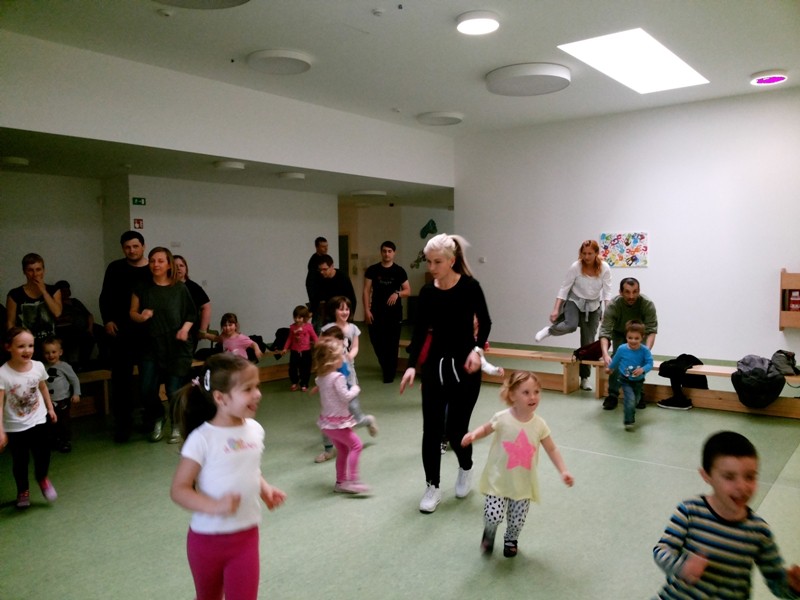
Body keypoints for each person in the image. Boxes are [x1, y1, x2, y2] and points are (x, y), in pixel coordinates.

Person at [170, 353, 286, 600]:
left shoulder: (255, 430)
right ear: (220, 398)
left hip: (246, 537)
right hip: (206, 542)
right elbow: (179, 489)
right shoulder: (202, 439)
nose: (258, 394)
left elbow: (249, 467)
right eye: (248, 389)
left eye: (257, 386)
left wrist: (264, 488)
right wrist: (215, 506)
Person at [400, 232, 491, 514]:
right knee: (432, 430)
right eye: (428, 262)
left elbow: (486, 322)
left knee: (456, 430)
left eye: (437, 262)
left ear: (451, 261)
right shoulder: (428, 293)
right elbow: (418, 332)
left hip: (465, 368)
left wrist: (477, 351)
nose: (431, 268)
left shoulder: (470, 287)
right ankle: (432, 486)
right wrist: (412, 366)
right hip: (435, 368)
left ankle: (466, 467)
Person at [652, 431, 800, 599]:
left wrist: (793, 587)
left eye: (750, 477)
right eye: (729, 477)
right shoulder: (690, 510)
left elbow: (776, 582)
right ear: (706, 476)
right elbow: (661, 550)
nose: (742, 486)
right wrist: (682, 567)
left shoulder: (759, 532)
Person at [462, 371, 573, 558]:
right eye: (526, 392)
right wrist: (473, 435)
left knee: (517, 520)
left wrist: (563, 471)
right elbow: (486, 429)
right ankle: (490, 531)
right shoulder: (502, 417)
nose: (533, 397)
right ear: (512, 395)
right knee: (493, 515)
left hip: (523, 482)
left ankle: (511, 539)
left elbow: (552, 449)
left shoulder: (539, 425)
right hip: (498, 478)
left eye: (536, 392)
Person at [130, 247, 197, 444]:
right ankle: (158, 417)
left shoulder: (179, 288)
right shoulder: (142, 287)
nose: (156, 264)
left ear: (169, 265)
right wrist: (141, 317)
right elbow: (132, 312)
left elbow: (191, 313)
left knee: (173, 389)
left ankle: (176, 423)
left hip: (176, 346)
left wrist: (184, 329)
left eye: (160, 261)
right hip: (150, 345)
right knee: (146, 389)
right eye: (152, 261)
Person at [534, 240, 612, 391]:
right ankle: (549, 330)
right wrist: (555, 309)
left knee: (588, 342)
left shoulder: (604, 268)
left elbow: (607, 292)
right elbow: (564, 288)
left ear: (596, 253)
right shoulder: (576, 266)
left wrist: (607, 312)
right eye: (584, 253)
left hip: (593, 306)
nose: (586, 257)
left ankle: (585, 378)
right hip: (574, 300)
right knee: (570, 325)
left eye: (590, 254)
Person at [99, 231, 152, 442]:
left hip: (147, 333)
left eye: (135, 246)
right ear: (123, 249)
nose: (132, 250)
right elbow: (105, 297)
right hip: (121, 332)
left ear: (143, 246)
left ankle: (150, 421)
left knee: (149, 380)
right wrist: (107, 320)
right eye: (127, 247)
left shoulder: (152, 268)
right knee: (121, 381)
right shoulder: (115, 268)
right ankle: (123, 426)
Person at [0, 327, 59, 509]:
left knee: (43, 455)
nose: (27, 350)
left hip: (39, 420)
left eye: (31, 346)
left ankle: (42, 478)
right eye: (21, 346)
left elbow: (42, 387)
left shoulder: (38, 366)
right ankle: (23, 490)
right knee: (20, 461)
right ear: (8, 347)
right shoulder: (3, 373)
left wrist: (50, 408)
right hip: (16, 426)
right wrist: (1, 430)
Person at [312, 335, 369, 494]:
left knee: (343, 450)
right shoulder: (338, 378)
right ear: (332, 360)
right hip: (338, 424)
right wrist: (355, 389)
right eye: (340, 356)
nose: (343, 359)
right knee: (356, 446)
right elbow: (345, 397)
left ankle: (340, 482)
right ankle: (353, 481)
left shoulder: (321, 378)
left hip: (327, 424)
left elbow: (322, 387)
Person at [598, 277, 658, 411]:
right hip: (619, 333)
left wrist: (646, 351)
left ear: (639, 291)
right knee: (617, 358)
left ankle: (639, 394)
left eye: (635, 292)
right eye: (627, 292)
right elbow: (605, 332)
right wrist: (605, 354)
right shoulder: (613, 305)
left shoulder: (647, 304)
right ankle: (612, 395)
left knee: (638, 359)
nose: (631, 296)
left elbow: (651, 330)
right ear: (620, 292)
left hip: (638, 334)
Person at [363, 241, 411, 383]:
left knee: (392, 343)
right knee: (376, 340)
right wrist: (366, 310)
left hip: (394, 314)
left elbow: (408, 290)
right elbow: (366, 290)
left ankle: (389, 373)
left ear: (394, 253)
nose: (387, 254)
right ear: (381, 252)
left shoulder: (399, 271)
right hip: (376, 312)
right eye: (384, 251)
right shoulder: (372, 270)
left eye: (390, 251)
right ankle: (387, 367)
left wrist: (397, 293)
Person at [6, 253, 63, 357]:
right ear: (24, 271)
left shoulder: (54, 290)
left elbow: (57, 312)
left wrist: (43, 291)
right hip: (26, 345)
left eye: (38, 269)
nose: (35, 274)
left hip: (50, 345)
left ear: (43, 270)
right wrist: (13, 345)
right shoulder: (14, 294)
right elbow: (11, 322)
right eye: (30, 270)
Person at [605, 320, 653, 431]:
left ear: (642, 338)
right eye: (630, 338)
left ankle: (629, 408)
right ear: (626, 336)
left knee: (635, 400)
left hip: (638, 381)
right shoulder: (622, 349)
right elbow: (616, 359)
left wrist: (642, 369)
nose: (633, 341)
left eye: (636, 338)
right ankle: (629, 420)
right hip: (625, 379)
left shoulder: (645, 350)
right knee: (630, 399)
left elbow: (649, 363)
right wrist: (610, 368)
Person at [42, 336, 81, 453]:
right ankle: (54, 440)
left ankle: (65, 441)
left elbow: (74, 380)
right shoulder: (42, 367)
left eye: (53, 352)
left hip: (63, 399)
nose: (50, 355)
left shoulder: (64, 366)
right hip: (48, 401)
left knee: (63, 421)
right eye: (47, 353)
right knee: (50, 422)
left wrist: (76, 393)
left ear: (60, 352)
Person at [52, 280, 98, 370]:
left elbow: (89, 315)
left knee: (104, 332)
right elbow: (55, 320)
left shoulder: (75, 301)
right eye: (63, 290)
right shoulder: (56, 304)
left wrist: (90, 328)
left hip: (87, 325)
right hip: (71, 329)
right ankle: (82, 365)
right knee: (87, 338)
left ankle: (104, 360)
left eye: (67, 289)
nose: (66, 292)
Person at [174, 255, 213, 352]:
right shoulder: (166, 287)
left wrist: (202, 330)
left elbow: (206, 307)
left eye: (181, 265)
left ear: (186, 268)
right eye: (175, 266)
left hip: (190, 333)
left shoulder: (194, 287)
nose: (178, 268)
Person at [311, 254, 357, 329]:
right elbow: (317, 296)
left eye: (325, 269)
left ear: (332, 266)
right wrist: (311, 311)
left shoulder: (343, 278)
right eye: (320, 269)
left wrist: (349, 318)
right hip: (329, 313)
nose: (322, 272)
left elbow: (352, 299)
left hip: (342, 313)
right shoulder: (320, 277)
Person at [280, 305, 318, 391]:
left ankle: (304, 383)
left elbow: (314, 336)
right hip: (294, 351)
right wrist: (285, 348)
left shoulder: (309, 327)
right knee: (292, 368)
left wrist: (317, 344)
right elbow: (289, 339)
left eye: (300, 318)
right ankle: (294, 382)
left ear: (305, 318)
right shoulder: (292, 327)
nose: (297, 320)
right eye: (295, 317)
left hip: (306, 351)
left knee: (305, 368)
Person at [305, 236, 329, 309]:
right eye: (323, 247)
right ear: (317, 247)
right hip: (319, 298)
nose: (326, 248)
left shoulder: (326, 258)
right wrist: (314, 301)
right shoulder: (314, 262)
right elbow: (310, 282)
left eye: (327, 246)